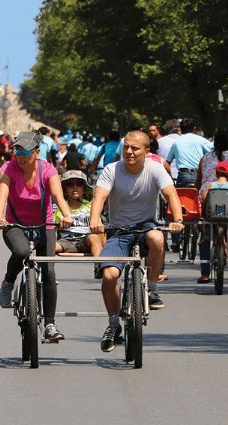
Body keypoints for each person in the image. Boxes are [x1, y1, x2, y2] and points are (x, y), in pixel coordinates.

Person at [90, 130, 184, 352]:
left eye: (135, 148)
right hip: (118, 231)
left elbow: (171, 195)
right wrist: (95, 220)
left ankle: (151, 289)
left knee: (157, 238)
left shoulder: (155, 169)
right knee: (109, 275)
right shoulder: (112, 170)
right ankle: (113, 325)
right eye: (126, 147)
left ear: (147, 151)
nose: (129, 152)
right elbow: (100, 197)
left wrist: (177, 219)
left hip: (146, 227)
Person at [0, 131, 74, 342]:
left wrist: (66, 215)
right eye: (17, 150)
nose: (20, 155)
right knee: (20, 251)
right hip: (15, 224)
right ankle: (8, 282)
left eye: (25, 151)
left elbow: (57, 194)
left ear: (36, 152)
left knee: (49, 271)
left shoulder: (47, 169)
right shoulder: (9, 168)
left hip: (45, 224)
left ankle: (49, 324)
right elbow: (2, 193)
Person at [196, 130, 228, 283]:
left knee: (204, 235)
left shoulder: (205, 158)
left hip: (208, 199)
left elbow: (198, 181)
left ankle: (205, 273)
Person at [54, 170, 103, 255]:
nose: (75, 187)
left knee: (94, 238)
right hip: (66, 242)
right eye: (70, 184)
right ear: (64, 190)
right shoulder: (59, 209)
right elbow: (53, 231)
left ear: (84, 189)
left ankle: (100, 266)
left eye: (79, 184)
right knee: (50, 246)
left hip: (87, 241)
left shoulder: (91, 207)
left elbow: (100, 233)